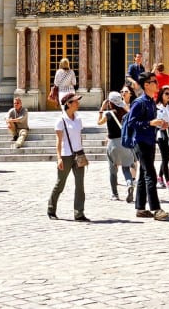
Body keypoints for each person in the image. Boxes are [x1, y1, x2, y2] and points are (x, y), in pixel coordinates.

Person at [124, 73, 169, 221]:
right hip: (141, 142)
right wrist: (150, 123)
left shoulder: (151, 102)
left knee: (144, 175)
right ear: (146, 85)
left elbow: (151, 122)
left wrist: (160, 124)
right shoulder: (139, 102)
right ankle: (156, 209)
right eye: (154, 82)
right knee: (151, 174)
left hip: (150, 141)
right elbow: (132, 123)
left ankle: (140, 208)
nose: (157, 84)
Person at [48, 92, 89, 221]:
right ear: (68, 104)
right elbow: (58, 141)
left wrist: (83, 154)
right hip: (66, 155)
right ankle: (51, 209)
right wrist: (59, 157)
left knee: (80, 185)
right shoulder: (60, 121)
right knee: (60, 184)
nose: (78, 103)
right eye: (75, 101)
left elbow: (79, 137)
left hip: (78, 154)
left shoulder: (78, 119)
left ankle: (79, 213)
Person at [99, 91, 135, 202]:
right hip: (124, 143)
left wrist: (101, 109)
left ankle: (115, 194)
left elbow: (99, 122)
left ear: (110, 102)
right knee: (126, 168)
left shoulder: (109, 114)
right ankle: (129, 184)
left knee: (113, 170)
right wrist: (123, 105)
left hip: (112, 143)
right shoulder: (125, 113)